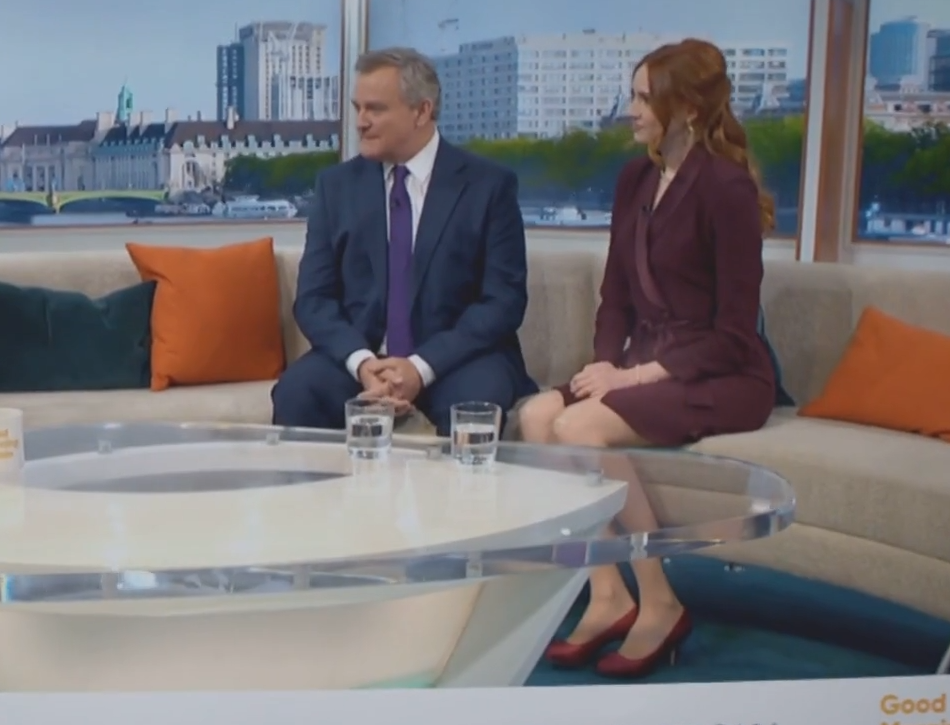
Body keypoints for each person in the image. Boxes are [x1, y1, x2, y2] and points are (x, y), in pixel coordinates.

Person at [518, 38, 777, 678]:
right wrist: (603, 367)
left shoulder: (726, 188)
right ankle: (607, 593)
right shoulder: (634, 178)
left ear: (686, 108)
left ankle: (659, 599)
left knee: (579, 427)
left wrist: (630, 377)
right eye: (631, 95)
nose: (630, 110)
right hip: (641, 363)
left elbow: (734, 333)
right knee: (535, 417)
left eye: (643, 98)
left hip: (721, 374)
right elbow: (615, 298)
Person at [271, 47, 536, 435]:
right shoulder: (336, 187)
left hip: (457, 358)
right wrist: (363, 363)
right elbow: (314, 299)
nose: (361, 122)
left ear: (421, 111)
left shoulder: (488, 186)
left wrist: (420, 367)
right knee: (298, 392)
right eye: (358, 108)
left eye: (375, 109)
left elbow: (503, 301)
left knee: (477, 401)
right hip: (363, 358)